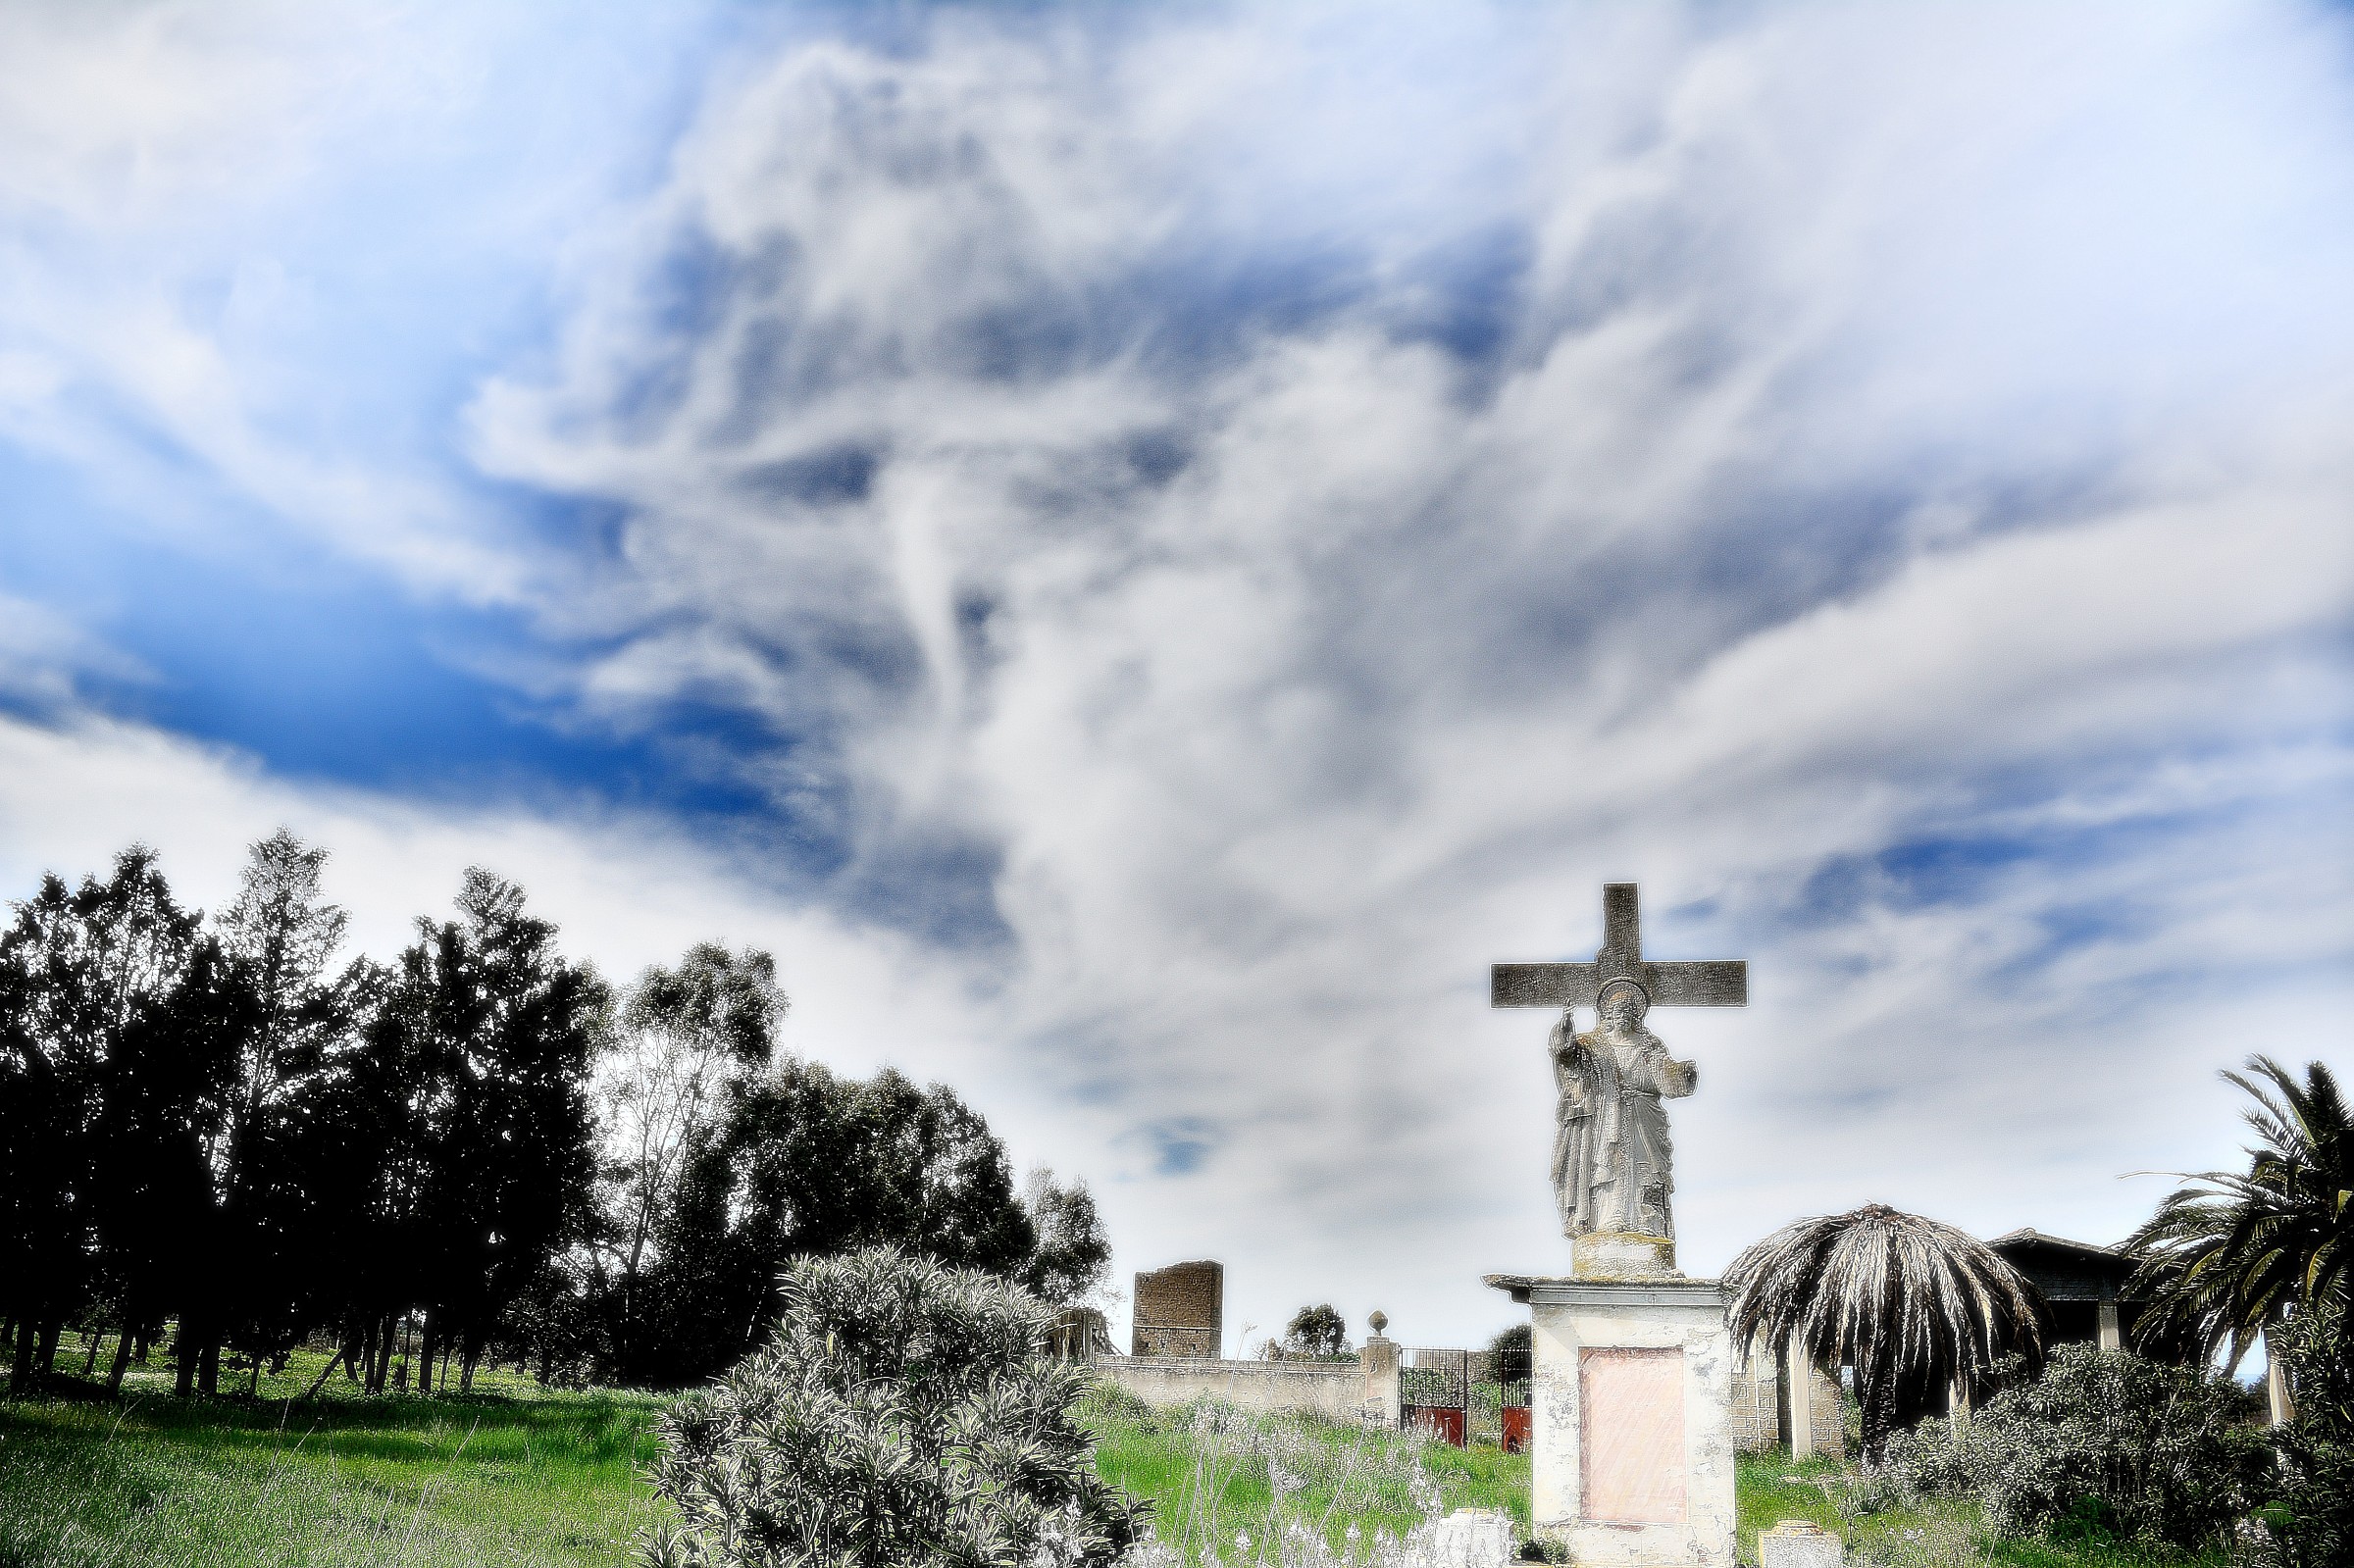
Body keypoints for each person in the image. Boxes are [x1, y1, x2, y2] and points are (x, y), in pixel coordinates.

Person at [1549, 978, 1698, 1239]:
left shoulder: (1649, 1045)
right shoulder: (1593, 1046)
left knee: (1645, 1168)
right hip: (1607, 1115)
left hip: (1642, 1115)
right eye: (1618, 1012)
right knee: (1609, 1166)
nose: (1623, 1016)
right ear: (1608, 1014)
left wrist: (1681, 1073)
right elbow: (1568, 1057)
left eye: (1628, 1012)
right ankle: (1609, 1217)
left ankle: (1645, 1220)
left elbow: (1663, 1074)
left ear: (1636, 1015)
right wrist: (1564, 1034)